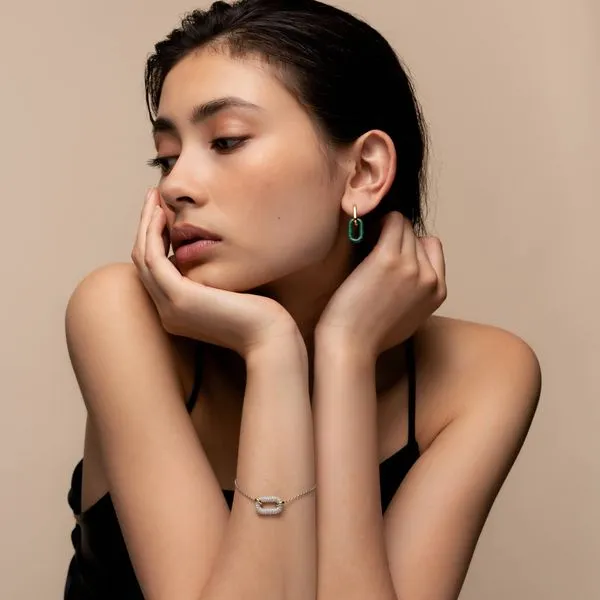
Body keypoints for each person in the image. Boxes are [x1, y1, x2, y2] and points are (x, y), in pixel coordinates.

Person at [63, 1, 542, 599]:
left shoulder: (483, 373)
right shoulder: (119, 313)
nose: (175, 185)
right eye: (167, 156)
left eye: (227, 140)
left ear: (363, 172)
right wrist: (271, 348)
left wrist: (345, 355)